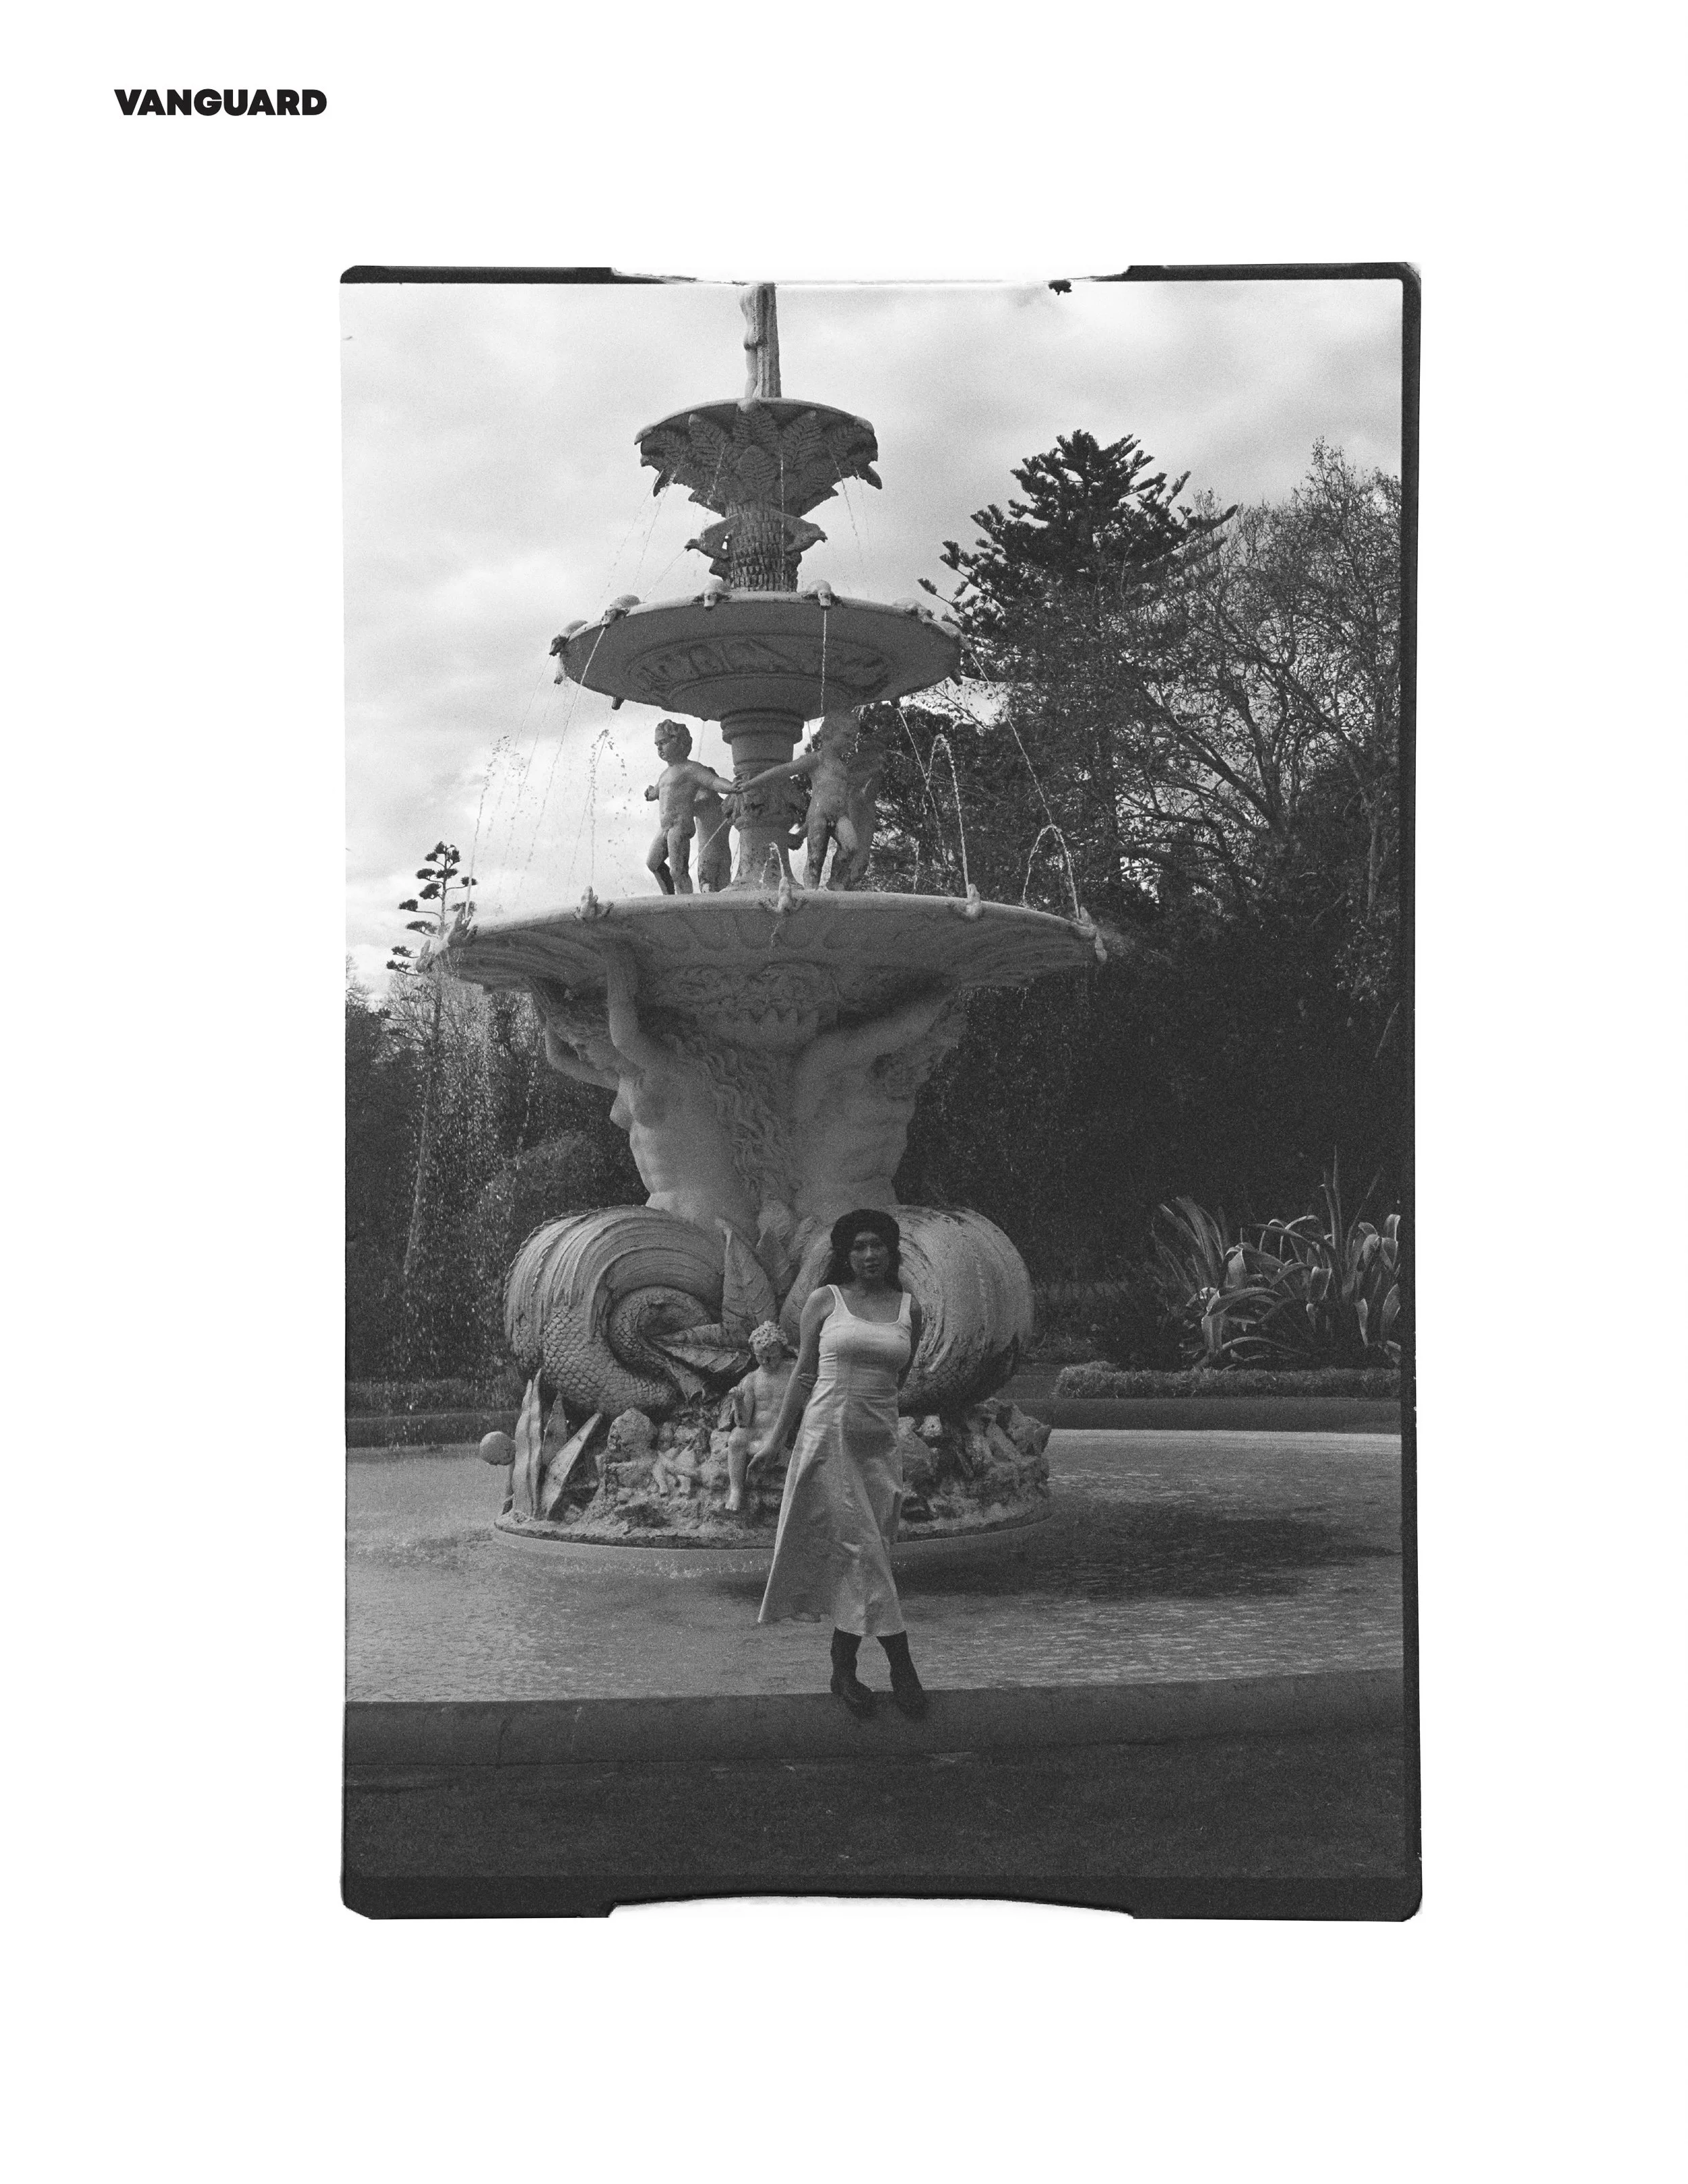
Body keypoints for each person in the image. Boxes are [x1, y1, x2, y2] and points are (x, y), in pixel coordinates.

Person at [751, 1208, 928, 1718]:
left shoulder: (908, 1309)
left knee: (865, 1556)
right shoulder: (825, 1301)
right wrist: (773, 1440)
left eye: (877, 1245)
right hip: (829, 1441)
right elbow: (803, 1376)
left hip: (879, 1446)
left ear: (891, 1251)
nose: (869, 1254)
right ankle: (902, 1663)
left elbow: (900, 1378)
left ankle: (842, 1666)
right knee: (862, 1550)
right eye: (859, 1247)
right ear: (845, 1255)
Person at [644, 720, 735, 894]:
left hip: (680, 827)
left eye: (663, 743)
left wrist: (731, 787)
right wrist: (650, 794)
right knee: (652, 863)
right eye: (657, 745)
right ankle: (669, 897)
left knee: (678, 872)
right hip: (665, 828)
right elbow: (657, 792)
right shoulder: (665, 774)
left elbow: (713, 781)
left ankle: (685, 903)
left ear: (678, 741)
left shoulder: (690, 769)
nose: (659, 749)